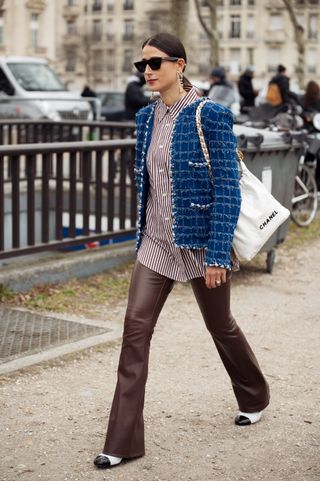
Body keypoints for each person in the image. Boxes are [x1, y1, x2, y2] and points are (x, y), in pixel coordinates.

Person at [93, 32, 270, 470]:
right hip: (154, 244)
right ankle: (121, 442)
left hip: (198, 243)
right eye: (142, 65)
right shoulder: (145, 118)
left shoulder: (211, 116)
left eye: (155, 63)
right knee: (135, 330)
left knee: (220, 324)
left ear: (180, 65)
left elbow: (228, 187)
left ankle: (254, 394)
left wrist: (215, 255)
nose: (147, 71)